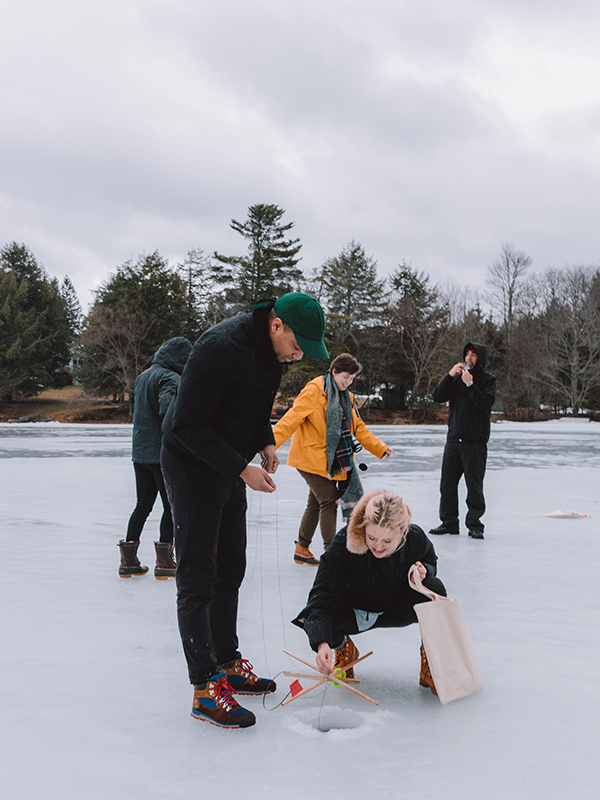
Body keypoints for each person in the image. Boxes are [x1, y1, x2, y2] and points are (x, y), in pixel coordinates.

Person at [160, 292, 328, 729]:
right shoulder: (219, 348)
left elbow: (254, 408)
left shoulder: (273, 356)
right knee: (198, 575)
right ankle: (203, 687)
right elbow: (186, 424)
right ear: (276, 325)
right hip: (193, 462)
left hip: (233, 464)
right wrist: (241, 468)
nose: (298, 357)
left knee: (231, 566)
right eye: (298, 346)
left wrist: (266, 441)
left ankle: (226, 661)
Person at [292, 489, 445, 693]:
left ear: (403, 531)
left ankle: (430, 662)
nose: (378, 547)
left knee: (434, 589)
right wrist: (322, 643)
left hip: (396, 607)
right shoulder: (343, 544)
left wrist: (426, 570)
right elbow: (322, 597)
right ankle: (343, 647)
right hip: (355, 612)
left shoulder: (415, 537)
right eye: (371, 537)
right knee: (319, 618)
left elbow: (429, 558)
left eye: (388, 541)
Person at [273, 353, 394, 565]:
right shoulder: (314, 390)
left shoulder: (346, 397)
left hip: (328, 462)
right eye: (345, 377)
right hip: (309, 457)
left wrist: (380, 448)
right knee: (329, 500)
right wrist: (269, 445)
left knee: (315, 503)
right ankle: (333, 554)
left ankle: (302, 548)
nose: (348, 382)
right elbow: (291, 419)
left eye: (352, 379)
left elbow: (358, 429)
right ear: (334, 371)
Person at [118, 336, 192, 579]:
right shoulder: (171, 378)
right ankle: (164, 560)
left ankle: (128, 559)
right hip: (161, 454)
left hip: (140, 454)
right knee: (171, 506)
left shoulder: (143, 376)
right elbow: (168, 412)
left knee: (142, 505)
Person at [429, 342, 497, 540]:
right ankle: (449, 523)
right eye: (467, 353)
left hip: (474, 442)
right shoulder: (456, 379)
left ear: (480, 358)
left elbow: (485, 404)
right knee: (447, 485)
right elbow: (437, 396)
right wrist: (450, 376)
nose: (469, 358)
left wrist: (470, 384)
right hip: (453, 441)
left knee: (474, 486)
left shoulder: (488, 380)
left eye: (473, 355)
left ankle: (475, 525)